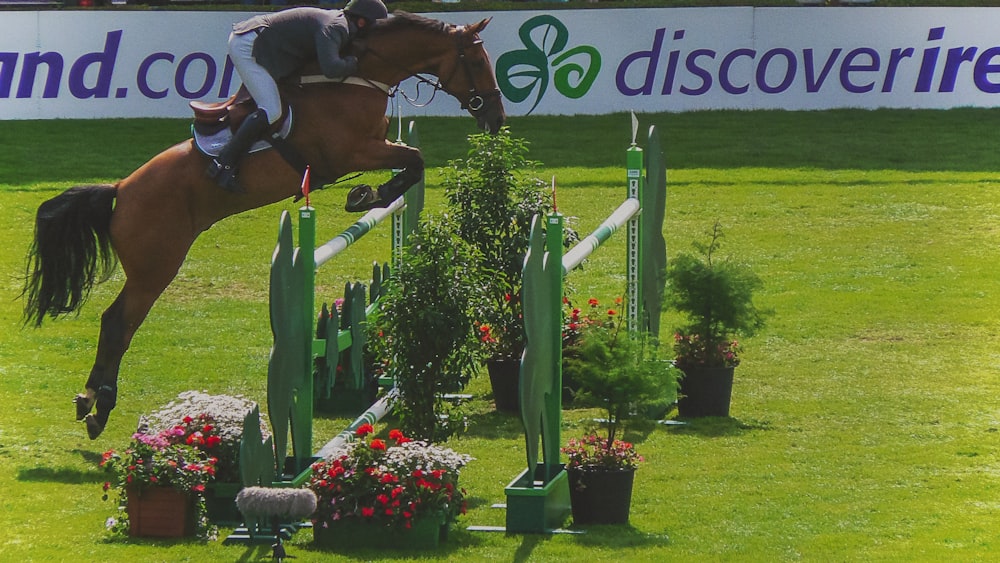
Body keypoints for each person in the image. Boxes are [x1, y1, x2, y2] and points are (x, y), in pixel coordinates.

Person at [207, 0, 389, 192]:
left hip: (263, 41)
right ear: (362, 23)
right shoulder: (337, 27)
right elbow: (331, 68)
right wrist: (353, 62)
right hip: (247, 45)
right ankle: (223, 164)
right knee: (272, 111)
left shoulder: (339, 23)